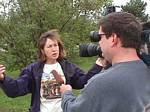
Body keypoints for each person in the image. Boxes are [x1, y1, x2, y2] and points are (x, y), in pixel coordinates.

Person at [60, 12, 150, 112]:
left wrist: (66, 93)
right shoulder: (145, 69)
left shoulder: (102, 82)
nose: (99, 42)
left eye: (100, 37)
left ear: (113, 39)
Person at [0, 29, 104, 112]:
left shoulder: (67, 67)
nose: (54, 49)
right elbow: (16, 89)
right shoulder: (33, 70)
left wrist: (98, 65)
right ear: (42, 50)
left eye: (55, 45)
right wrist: (3, 78)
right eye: (49, 46)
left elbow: (83, 82)